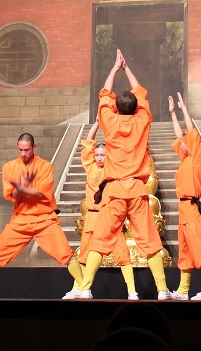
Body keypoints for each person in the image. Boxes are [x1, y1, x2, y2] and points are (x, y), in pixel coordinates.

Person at [69, 49, 169, 300]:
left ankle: (84, 288)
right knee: (150, 240)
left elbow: (103, 95)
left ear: (116, 108)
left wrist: (114, 69)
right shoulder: (142, 119)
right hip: (136, 189)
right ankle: (163, 290)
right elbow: (141, 92)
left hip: (114, 192)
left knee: (101, 240)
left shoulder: (109, 122)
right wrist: (127, 69)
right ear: (137, 108)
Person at [0, 132, 82, 297]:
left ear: (33, 148)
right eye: (20, 150)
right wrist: (19, 190)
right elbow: (11, 196)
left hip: (44, 219)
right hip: (21, 220)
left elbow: (42, 193)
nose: (23, 153)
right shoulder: (9, 167)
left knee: (66, 254)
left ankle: (83, 288)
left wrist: (24, 188)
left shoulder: (45, 166)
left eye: (26, 150)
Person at [64, 120, 137, 300]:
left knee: (123, 255)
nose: (99, 157)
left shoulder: (113, 170)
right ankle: (79, 288)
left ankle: (132, 291)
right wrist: (97, 124)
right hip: (91, 217)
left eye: (103, 155)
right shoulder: (90, 167)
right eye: (97, 154)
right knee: (84, 255)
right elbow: (89, 141)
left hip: (110, 218)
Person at [166, 92, 201, 301]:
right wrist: (172, 114)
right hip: (183, 210)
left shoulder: (199, 158)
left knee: (200, 250)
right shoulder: (186, 159)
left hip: (193, 210)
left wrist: (184, 109)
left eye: (187, 141)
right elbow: (181, 136)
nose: (182, 142)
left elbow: (191, 133)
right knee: (184, 252)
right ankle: (183, 290)